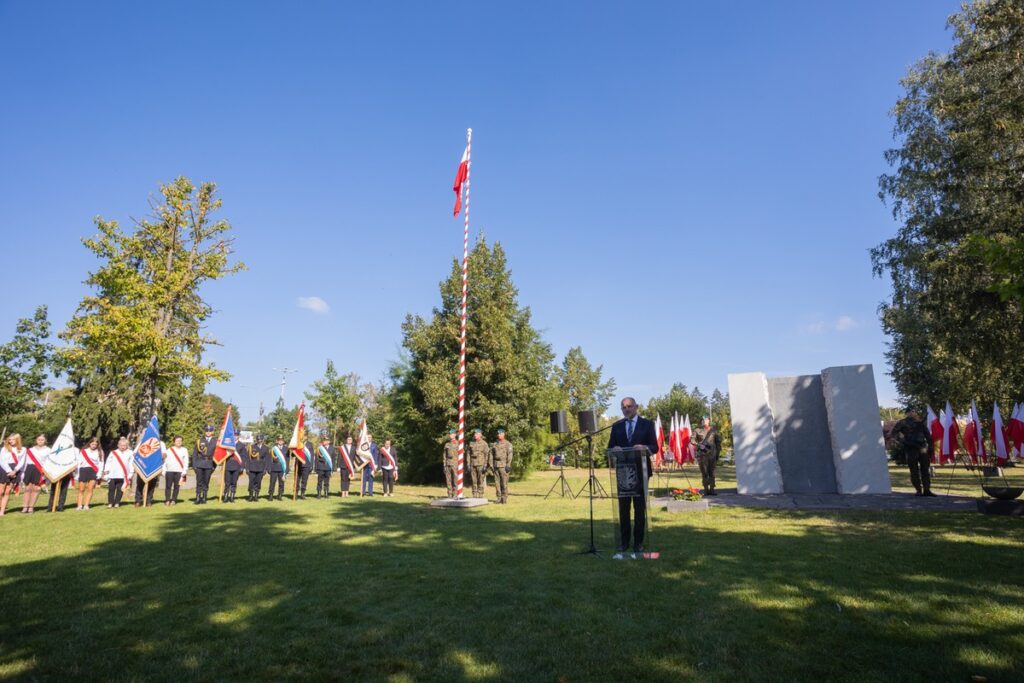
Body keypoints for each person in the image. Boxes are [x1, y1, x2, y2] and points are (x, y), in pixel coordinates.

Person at [607, 397, 659, 559]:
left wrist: (644, 448)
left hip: (641, 472)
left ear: (636, 407)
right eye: (623, 407)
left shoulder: (647, 424)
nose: (626, 409)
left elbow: (654, 447)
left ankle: (638, 543)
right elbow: (610, 446)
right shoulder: (617, 426)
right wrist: (613, 449)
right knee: (623, 510)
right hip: (623, 473)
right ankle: (623, 542)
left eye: (629, 406)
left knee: (639, 509)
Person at [891, 407, 936, 497]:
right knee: (914, 470)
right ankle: (918, 490)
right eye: (911, 411)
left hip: (922, 448)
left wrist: (930, 446)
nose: (913, 413)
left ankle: (927, 490)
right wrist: (903, 441)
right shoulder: (902, 422)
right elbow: (894, 433)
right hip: (911, 449)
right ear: (907, 413)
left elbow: (927, 435)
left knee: (925, 470)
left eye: (914, 411)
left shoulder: (920, 423)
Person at [21, 434, 50, 514]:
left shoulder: (48, 450)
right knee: (27, 488)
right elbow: (25, 461)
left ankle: (31, 507)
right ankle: (25, 507)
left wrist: (45, 473)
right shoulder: (30, 450)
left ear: (45, 441)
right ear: (36, 440)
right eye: (38, 439)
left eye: (42, 440)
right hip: (30, 469)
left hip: (40, 470)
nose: (40, 441)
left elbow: (49, 462)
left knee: (36, 489)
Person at [693, 416, 722, 496]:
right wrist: (698, 445)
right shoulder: (697, 430)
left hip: (712, 455)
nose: (704, 421)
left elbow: (718, 442)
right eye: (702, 419)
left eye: (705, 419)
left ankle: (712, 489)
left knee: (712, 473)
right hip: (702, 455)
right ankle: (706, 489)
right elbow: (692, 440)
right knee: (704, 472)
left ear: (708, 420)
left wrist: (717, 454)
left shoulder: (714, 431)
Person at [102, 437, 133, 508]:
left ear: (127, 446)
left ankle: (117, 503)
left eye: (124, 445)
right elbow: (108, 462)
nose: (122, 447)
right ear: (118, 445)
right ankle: (110, 503)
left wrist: (131, 473)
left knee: (120, 489)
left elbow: (131, 463)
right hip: (112, 474)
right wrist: (106, 471)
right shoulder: (113, 452)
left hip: (123, 474)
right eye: (121, 445)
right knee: (111, 489)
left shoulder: (130, 453)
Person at [74, 436, 103, 510]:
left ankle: (86, 505)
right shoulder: (84, 451)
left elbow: (101, 463)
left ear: (97, 445)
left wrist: (99, 473)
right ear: (89, 443)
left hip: (93, 471)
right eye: (92, 444)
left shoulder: (100, 452)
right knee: (81, 489)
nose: (94, 445)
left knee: (90, 489)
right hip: (83, 470)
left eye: (95, 444)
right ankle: (79, 505)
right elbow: (79, 462)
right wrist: (77, 473)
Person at [1, 433, 26, 516]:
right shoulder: (5, 448)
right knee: (1, 491)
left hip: (15, 469)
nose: (10, 441)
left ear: (17, 439)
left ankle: (2, 511)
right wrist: (9, 471)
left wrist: (15, 471)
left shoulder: (23, 449)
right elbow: (2, 460)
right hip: (4, 469)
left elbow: (22, 462)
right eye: (9, 439)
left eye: (12, 439)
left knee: (7, 492)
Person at [193, 425, 217, 504]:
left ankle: (204, 498)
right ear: (204, 431)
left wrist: (214, 466)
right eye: (207, 431)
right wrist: (194, 465)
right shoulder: (199, 441)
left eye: (210, 431)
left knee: (206, 481)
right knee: (199, 481)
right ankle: (197, 497)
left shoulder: (216, 441)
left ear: (212, 432)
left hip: (209, 464)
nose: (208, 432)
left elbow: (217, 455)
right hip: (200, 463)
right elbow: (195, 454)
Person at [164, 435, 189, 506]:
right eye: (177, 441)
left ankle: (174, 500)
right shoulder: (169, 450)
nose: (179, 442)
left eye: (180, 441)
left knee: (177, 486)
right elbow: (165, 461)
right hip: (169, 471)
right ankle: (167, 500)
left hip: (180, 471)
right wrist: (164, 470)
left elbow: (186, 461)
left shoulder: (184, 450)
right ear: (174, 442)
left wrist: (185, 470)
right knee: (168, 486)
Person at [490, 428, 513, 504]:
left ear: (504, 434)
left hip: (504, 466)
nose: (499, 435)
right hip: (496, 465)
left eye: (500, 434)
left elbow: (510, 455)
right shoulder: (495, 444)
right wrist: (491, 464)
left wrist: (508, 465)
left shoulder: (508, 444)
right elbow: (491, 454)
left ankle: (504, 497)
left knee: (504, 482)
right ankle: (499, 497)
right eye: (498, 434)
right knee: (497, 482)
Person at [468, 429, 490, 498]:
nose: (475, 435)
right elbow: (468, 454)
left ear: (480, 435)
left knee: (480, 480)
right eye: (475, 434)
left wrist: (486, 464)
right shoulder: (471, 443)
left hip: (481, 464)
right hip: (473, 464)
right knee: (473, 480)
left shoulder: (484, 444)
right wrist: (468, 464)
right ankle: (474, 494)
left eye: (477, 434)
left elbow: (487, 455)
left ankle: (480, 494)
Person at [247, 434, 269, 502]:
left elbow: (266, 459)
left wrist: (265, 469)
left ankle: (256, 496)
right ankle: (250, 496)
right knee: (251, 482)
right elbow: (248, 458)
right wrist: (247, 468)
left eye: (261, 439)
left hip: (261, 468)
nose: (259, 441)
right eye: (258, 439)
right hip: (252, 467)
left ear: (263, 440)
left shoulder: (266, 448)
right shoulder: (251, 447)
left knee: (258, 482)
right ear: (256, 440)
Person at [314, 433, 335, 498]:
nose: (326, 441)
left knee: (327, 481)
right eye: (325, 440)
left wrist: (333, 468)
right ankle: (319, 493)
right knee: (319, 481)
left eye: (327, 440)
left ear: (329, 441)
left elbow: (333, 459)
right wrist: (316, 468)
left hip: (328, 467)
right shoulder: (320, 448)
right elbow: (316, 458)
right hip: (321, 467)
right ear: (323, 441)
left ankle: (326, 493)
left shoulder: (332, 448)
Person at [269, 436, 289, 500]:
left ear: (283, 441)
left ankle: (280, 495)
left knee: (281, 483)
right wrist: (269, 468)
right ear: (277, 441)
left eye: (281, 440)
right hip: (274, 467)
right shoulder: (273, 448)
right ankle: (271, 495)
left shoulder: (286, 449)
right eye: (279, 440)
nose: (280, 441)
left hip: (282, 468)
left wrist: (287, 469)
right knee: (272, 482)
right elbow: (269, 459)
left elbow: (287, 459)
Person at [360, 432, 380, 497]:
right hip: (364, 464)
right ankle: (363, 492)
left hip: (371, 464)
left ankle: (370, 492)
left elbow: (375, 455)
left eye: (370, 437)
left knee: (371, 478)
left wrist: (376, 464)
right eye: (368, 437)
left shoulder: (374, 445)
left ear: (372, 438)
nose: (369, 438)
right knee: (364, 479)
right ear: (366, 438)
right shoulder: (364, 445)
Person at [442, 429, 459, 498]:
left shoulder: (458, 444)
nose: (450, 435)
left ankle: (455, 493)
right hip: (448, 464)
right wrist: (444, 464)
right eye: (450, 434)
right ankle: (449, 493)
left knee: (455, 479)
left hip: (455, 464)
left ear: (455, 435)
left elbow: (461, 454)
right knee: (448, 480)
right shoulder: (447, 444)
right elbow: (444, 455)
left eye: (452, 434)